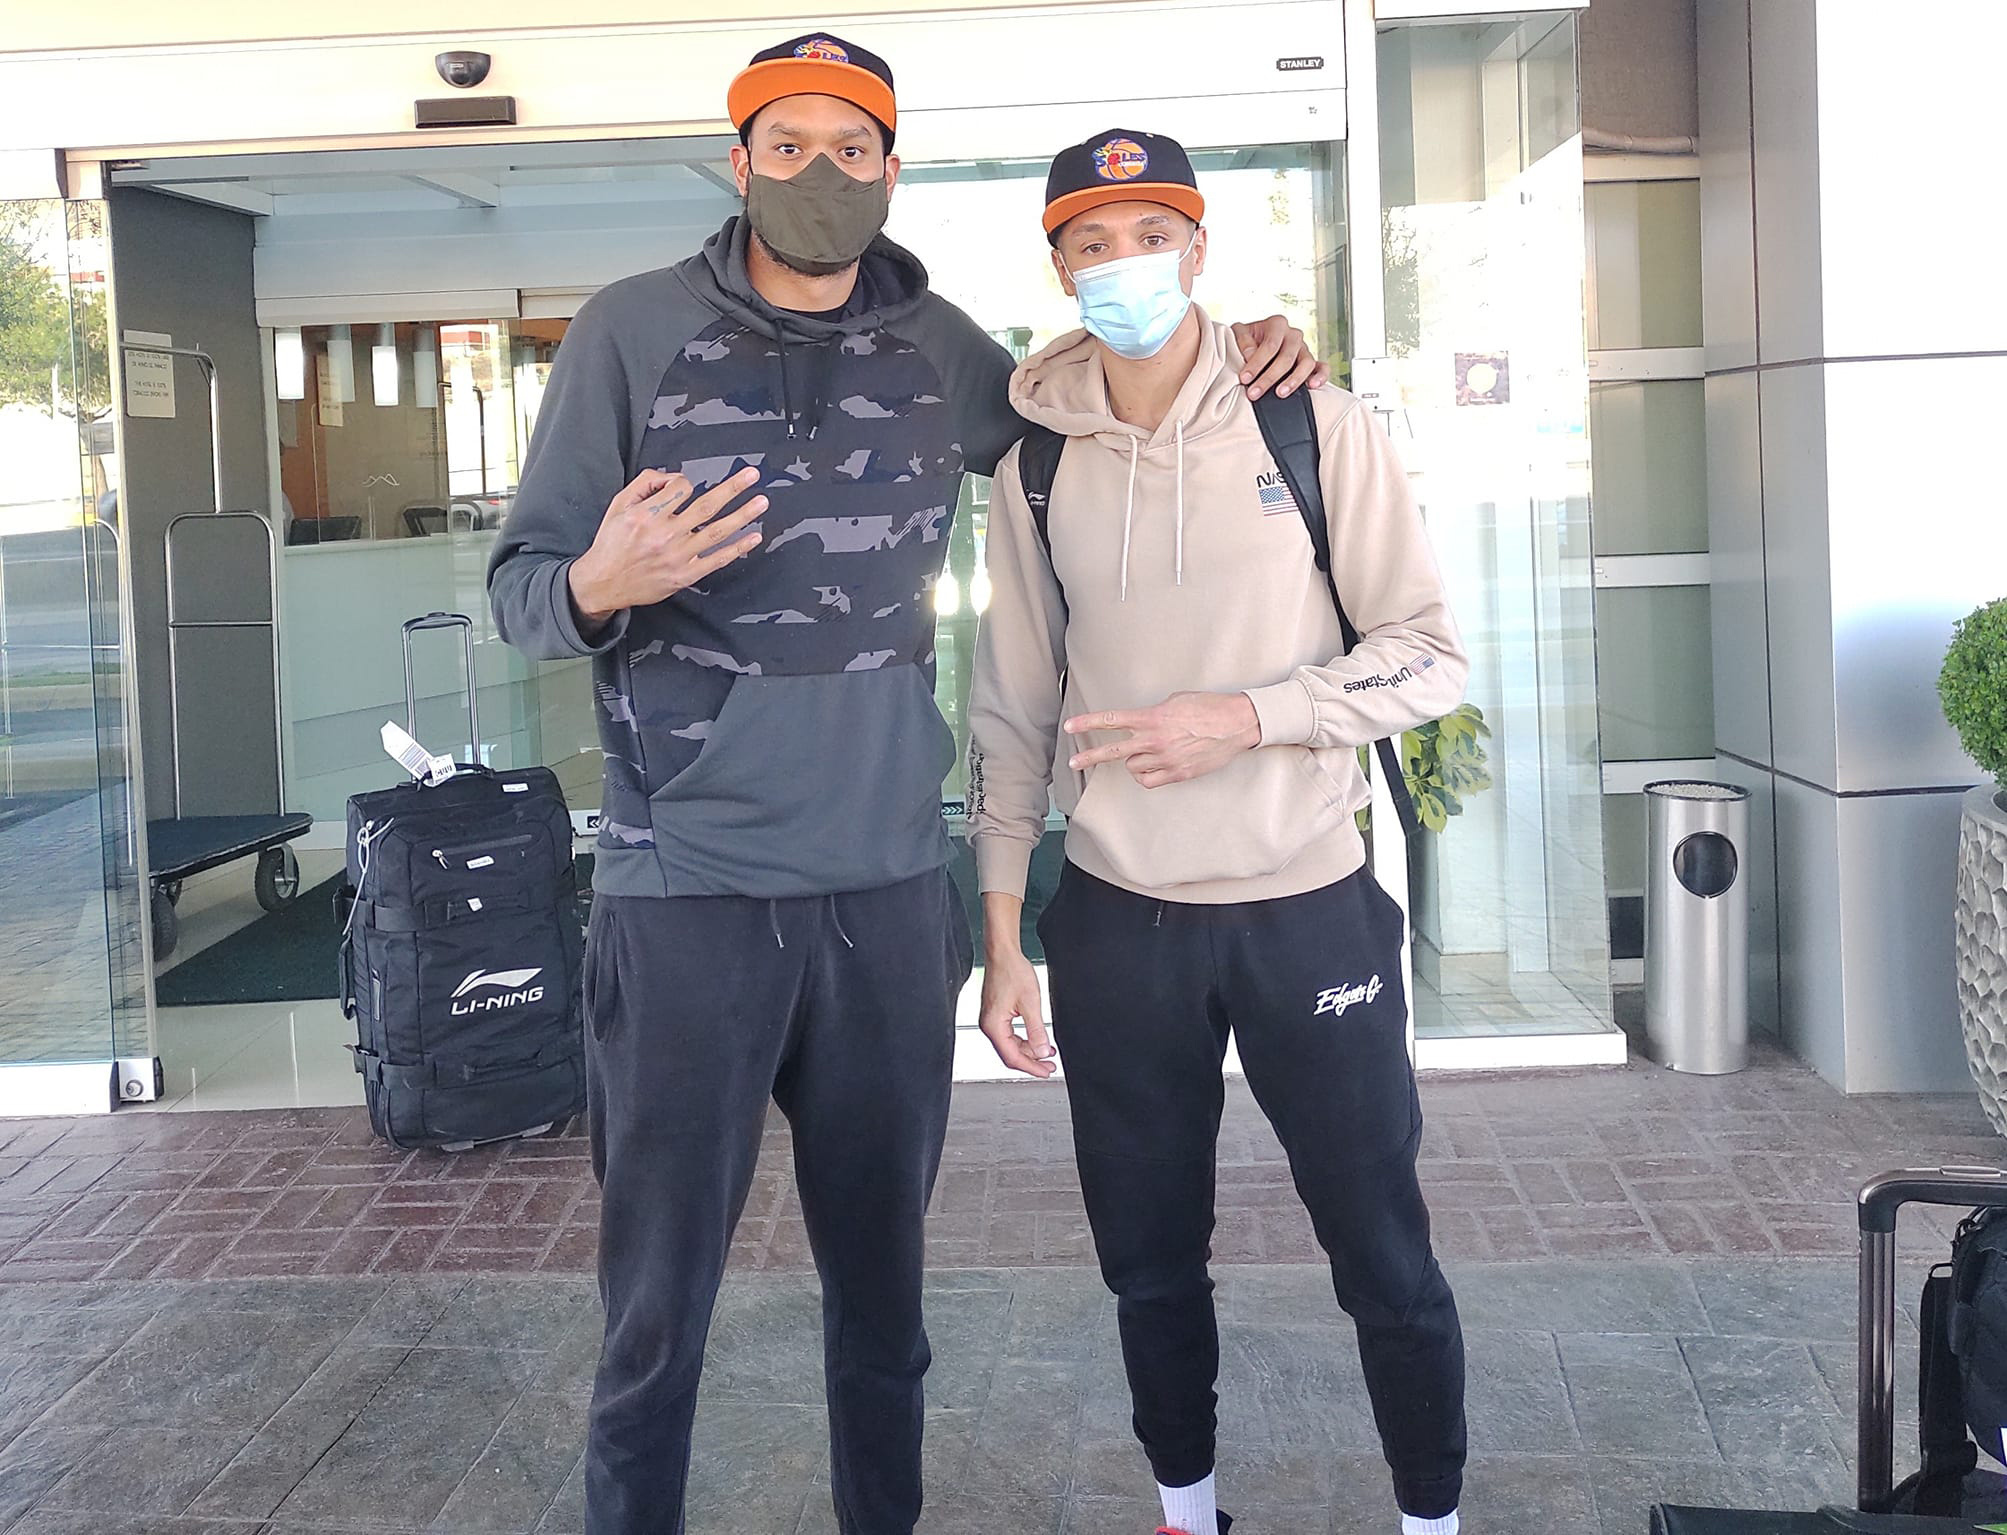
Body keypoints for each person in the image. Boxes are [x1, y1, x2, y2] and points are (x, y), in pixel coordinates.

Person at [486, 37, 1328, 1535]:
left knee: (884, 1307)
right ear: (738, 163)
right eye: (786, 145)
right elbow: (523, 592)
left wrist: (1244, 344)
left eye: (851, 147)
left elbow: (1105, 411)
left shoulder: (937, 345)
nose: (818, 173)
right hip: (686, 893)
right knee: (655, 1314)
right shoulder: (630, 331)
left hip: (885, 893)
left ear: (891, 167)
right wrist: (602, 582)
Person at [967, 129, 1471, 1535]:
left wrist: (1249, 718)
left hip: (1309, 906)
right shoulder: (1034, 468)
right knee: (1146, 1258)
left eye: (1151, 235)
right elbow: (1010, 709)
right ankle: (1187, 1512)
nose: (1122, 264)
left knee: (1381, 1250)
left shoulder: (1311, 424)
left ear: (1197, 249)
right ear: (1059, 268)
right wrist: (1002, 937)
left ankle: (1432, 1516)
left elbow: (1429, 655)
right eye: (1091, 242)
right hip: (1118, 920)